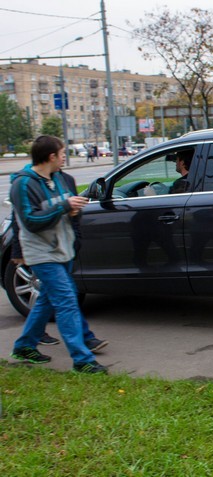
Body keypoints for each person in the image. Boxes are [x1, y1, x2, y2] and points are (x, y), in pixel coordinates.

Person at [9, 135, 108, 374]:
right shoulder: (23, 185)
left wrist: (73, 213)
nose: (66, 158)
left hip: (64, 250)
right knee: (66, 301)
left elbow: (64, 211)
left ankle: (24, 346)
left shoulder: (59, 179)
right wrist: (64, 207)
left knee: (46, 300)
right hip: (42, 253)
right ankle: (82, 359)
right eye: (63, 154)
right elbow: (30, 221)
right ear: (51, 156)